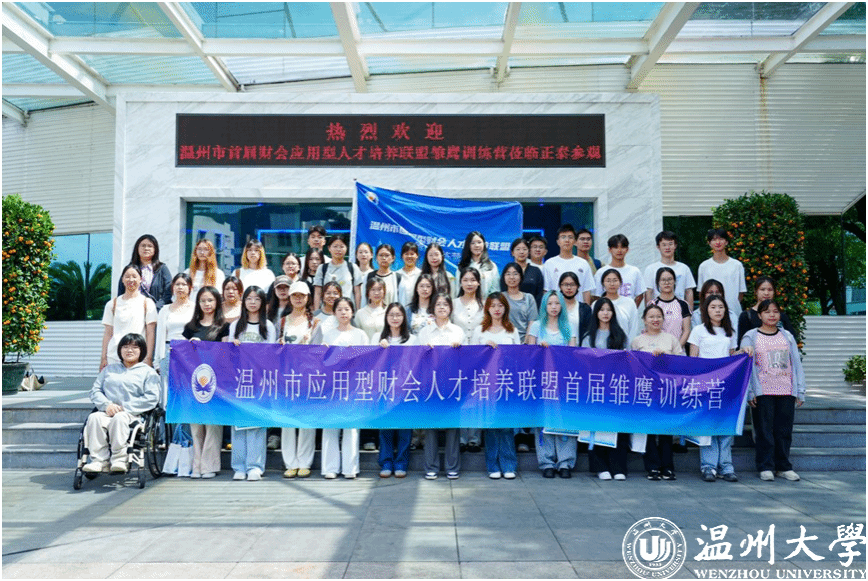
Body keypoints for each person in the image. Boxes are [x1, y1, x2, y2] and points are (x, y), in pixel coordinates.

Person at [740, 299, 806, 482]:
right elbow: (746, 365)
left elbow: (796, 363)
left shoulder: (787, 336)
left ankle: (783, 467)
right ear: (759, 315)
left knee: (784, 431)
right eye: (767, 312)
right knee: (764, 431)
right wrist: (750, 391)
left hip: (786, 389)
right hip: (763, 390)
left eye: (775, 311)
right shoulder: (751, 336)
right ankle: (765, 466)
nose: (772, 315)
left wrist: (800, 390)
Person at [82, 333, 161, 474]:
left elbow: (152, 398)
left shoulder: (148, 373)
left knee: (120, 417)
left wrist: (125, 408)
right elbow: (95, 390)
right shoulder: (109, 370)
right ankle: (99, 461)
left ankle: (119, 459)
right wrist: (107, 405)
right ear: (119, 350)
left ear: (142, 350)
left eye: (134, 347)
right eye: (125, 347)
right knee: (94, 418)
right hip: (107, 411)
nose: (129, 350)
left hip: (133, 414)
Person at [688, 294, 743, 483]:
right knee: (708, 426)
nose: (717, 310)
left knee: (725, 426)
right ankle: (708, 466)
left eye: (721, 307)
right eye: (713, 307)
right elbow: (693, 359)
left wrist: (744, 351)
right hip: (705, 385)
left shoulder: (730, 332)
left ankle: (726, 467)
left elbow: (732, 357)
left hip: (726, 385)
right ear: (706, 310)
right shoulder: (698, 330)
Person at [227, 286, 276, 481]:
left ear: (263, 303)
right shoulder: (236, 326)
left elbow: (271, 355)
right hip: (239, 381)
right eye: (249, 298)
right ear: (244, 301)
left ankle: (255, 466)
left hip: (260, 381)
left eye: (257, 299)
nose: (253, 302)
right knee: (239, 424)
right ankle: (239, 466)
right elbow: (228, 354)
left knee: (256, 423)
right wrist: (233, 347)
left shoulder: (268, 326)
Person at [526, 291, 577, 478]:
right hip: (542, 380)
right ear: (544, 306)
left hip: (564, 380)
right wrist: (540, 349)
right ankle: (546, 462)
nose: (554, 307)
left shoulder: (569, 326)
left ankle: (565, 462)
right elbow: (529, 354)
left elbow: (573, 354)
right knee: (543, 420)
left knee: (565, 420)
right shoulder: (536, 326)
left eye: (557, 303)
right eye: (550, 303)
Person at [472, 292, 521, 480]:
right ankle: (492, 465)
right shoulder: (480, 331)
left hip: (507, 384)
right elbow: (472, 358)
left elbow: (519, 357)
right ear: (487, 309)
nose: (497, 309)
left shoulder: (511, 330)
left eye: (500, 305)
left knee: (507, 426)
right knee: (491, 425)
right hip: (487, 385)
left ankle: (509, 465)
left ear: (505, 308)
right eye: (493, 305)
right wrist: (484, 348)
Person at [582, 298, 632, 480]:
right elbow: (585, 361)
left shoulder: (621, 335)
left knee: (617, 426)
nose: (605, 313)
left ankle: (618, 468)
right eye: (601, 309)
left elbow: (628, 360)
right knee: (598, 426)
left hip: (616, 387)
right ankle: (600, 466)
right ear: (596, 313)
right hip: (596, 387)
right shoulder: (589, 337)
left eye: (608, 310)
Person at [632, 304, 683, 481]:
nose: (655, 320)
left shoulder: (671, 339)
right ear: (644, 320)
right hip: (646, 390)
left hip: (667, 390)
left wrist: (666, 358)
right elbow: (633, 366)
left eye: (658, 316)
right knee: (649, 430)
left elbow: (681, 365)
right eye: (651, 317)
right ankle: (652, 467)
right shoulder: (637, 341)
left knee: (666, 430)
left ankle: (667, 467)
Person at [417, 293, 465, 480]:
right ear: (433, 308)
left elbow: (468, 358)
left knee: (452, 426)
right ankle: (431, 467)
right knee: (431, 426)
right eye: (438, 304)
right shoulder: (424, 332)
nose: (442, 307)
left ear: (451, 308)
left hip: (453, 383)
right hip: (430, 383)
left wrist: (459, 349)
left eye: (446, 304)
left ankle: (453, 466)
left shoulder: (458, 332)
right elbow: (416, 358)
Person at [319, 297, 368, 479]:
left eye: (347, 309)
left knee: (351, 428)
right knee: (330, 426)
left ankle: (350, 468)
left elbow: (367, 360)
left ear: (352, 312)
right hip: (332, 385)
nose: (343, 312)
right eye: (339, 309)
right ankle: (330, 468)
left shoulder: (361, 335)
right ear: (334, 313)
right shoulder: (328, 335)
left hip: (353, 385)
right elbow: (323, 361)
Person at [182, 286, 229, 479]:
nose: (207, 304)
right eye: (203, 301)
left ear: (217, 302)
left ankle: (209, 465)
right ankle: (197, 465)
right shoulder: (190, 327)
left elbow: (226, 354)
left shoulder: (224, 326)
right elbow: (182, 354)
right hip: (194, 381)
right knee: (196, 424)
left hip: (216, 381)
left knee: (213, 424)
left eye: (210, 300)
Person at [277, 281, 317, 479]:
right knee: (287, 420)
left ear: (308, 297)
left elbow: (320, 349)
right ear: (290, 298)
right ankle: (290, 462)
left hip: (308, 376)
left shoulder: (314, 322)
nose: (298, 299)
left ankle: (304, 462)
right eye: (295, 295)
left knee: (306, 419)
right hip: (286, 374)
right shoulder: (282, 321)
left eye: (302, 295)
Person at [375, 303, 417, 478]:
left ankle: (401, 463)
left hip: (406, 389)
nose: (395, 318)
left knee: (404, 429)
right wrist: (379, 349)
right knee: (385, 428)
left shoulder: (412, 339)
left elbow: (418, 363)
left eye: (398, 315)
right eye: (391, 314)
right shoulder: (378, 337)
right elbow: (371, 363)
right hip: (384, 390)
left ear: (404, 318)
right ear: (386, 317)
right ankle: (386, 462)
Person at [101, 264, 157, 371]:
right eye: (127, 276)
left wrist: (148, 357)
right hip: (114, 356)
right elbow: (108, 333)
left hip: (138, 357)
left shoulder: (147, 303)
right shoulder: (112, 304)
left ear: (141, 279)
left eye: (134, 276)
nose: (131, 280)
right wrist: (103, 357)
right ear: (122, 279)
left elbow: (150, 333)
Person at [154, 273, 195, 402]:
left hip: (189, 352)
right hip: (169, 351)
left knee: (187, 387)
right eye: (177, 284)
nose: (180, 287)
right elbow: (160, 336)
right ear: (172, 287)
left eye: (184, 284)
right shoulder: (165, 310)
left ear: (190, 288)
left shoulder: (196, 308)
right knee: (168, 389)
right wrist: (157, 360)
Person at [697, 228, 746, 318]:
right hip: (711, 314)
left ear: (726, 242)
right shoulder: (704, 266)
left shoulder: (737, 265)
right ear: (709, 243)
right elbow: (701, 292)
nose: (718, 242)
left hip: (733, 312)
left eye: (721, 239)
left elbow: (741, 293)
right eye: (714, 239)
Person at [116, 234, 173, 310]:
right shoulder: (129, 269)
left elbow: (169, 291)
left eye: (150, 246)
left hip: (156, 312)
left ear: (155, 249)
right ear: (137, 248)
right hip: (131, 311)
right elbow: (121, 291)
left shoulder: (162, 268)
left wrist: (156, 307)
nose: (146, 248)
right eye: (143, 246)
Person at [737, 276, 798, 345]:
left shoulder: (781, 315)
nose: (766, 293)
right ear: (756, 291)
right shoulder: (746, 316)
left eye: (770, 290)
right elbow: (741, 342)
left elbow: (792, 340)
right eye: (762, 289)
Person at [543, 224, 593, 304]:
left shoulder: (583, 263)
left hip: (578, 308)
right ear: (558, 241)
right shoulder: (549, 263)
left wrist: (586, 309)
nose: (567, 240)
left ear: (575, 241)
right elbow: (546, 290)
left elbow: (586, 290)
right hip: (556, 309)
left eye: (570, 237)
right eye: (563, 237)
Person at [643, 231, 695, 306]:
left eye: (670, 244)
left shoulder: (684, 268)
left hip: (680, 309)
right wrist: (650, 310)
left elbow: (689, 291)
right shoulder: (650, 269)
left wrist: (689, 311)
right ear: (658, 247)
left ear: (675, 246)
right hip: (658, 311)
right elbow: (649, 292)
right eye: (664, 245)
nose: (667, 248)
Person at [313, 234, 363, 311]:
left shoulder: (353, 267)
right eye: (335, 246)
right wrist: (316, 312)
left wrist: (357, 311)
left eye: (341, 246)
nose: (338, 249)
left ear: (346, 248)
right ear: (329, 248)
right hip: (327, 312)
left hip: (346, 312)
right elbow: (317, 293)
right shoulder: (322, 268)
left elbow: (357, 293)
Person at [593, 234, 644, 307]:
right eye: (616, 247)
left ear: (627, 249)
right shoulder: (601, 272)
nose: (619, 250)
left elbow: (640, 295)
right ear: (609, 250)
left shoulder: (635, 271)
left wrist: (632, 310)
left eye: (622, 247)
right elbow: (597, 296)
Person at [595, 268, 640, 344]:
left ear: (620, 282)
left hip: (624, 346)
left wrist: (629, 347)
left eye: (615, 280)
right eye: (608, 281)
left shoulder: (629, 303)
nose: (612, 284)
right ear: (602, 283)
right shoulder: (596, 304)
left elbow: (633, 327)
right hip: (600, 346)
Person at [651, 267, 691, 349]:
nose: (667, 283)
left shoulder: (683, 304)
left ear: (674, 281)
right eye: (663, 280)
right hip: (657, 350)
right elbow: (650, 330)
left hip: (678, 351)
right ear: (658, 282)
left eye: (670, 279)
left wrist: (676, 349)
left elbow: (686, 331)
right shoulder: (653, 304)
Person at [500, 262, 538, 343]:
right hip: (503, 341)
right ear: (504, 277)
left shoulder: (529, 298)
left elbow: (532, 322)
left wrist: (525, 342)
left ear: (521, 277)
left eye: (515, 274)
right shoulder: (500, 297)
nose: (511, 277)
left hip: (524, 342)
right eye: (508, 274)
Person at [457, 231, 499, 297]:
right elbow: (457, 288)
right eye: (473, 243)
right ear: (468, 246)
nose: (476, 245)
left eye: (479, 242)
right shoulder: (462, 265)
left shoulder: (491, 266)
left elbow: (495, 289)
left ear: (484, 244)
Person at [505, 238, 544, 307]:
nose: (521, 252)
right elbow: (503, 291)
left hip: (532, 309)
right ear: (512, 252)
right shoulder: (507, 270)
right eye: (518, 249)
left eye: (524, 249)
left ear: (529, 252)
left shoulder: (535, 271)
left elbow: (539, 294)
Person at [558, 272, 592, 344]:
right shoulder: (554, 308)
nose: (569, 288)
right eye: (565, 284)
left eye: (572, 284)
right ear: (560, 286)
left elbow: (588, 333)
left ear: (578, 286)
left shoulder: (585, 309)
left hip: (579, 348)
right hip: (557, 347)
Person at [396, 241, 421, 307]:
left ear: (417, 256)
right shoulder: (396, 275)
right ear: (402, 256)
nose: (409, 256)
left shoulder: (421, 275)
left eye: (412, 254)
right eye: (406, 254)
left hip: (416, 312)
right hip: (400, 311)